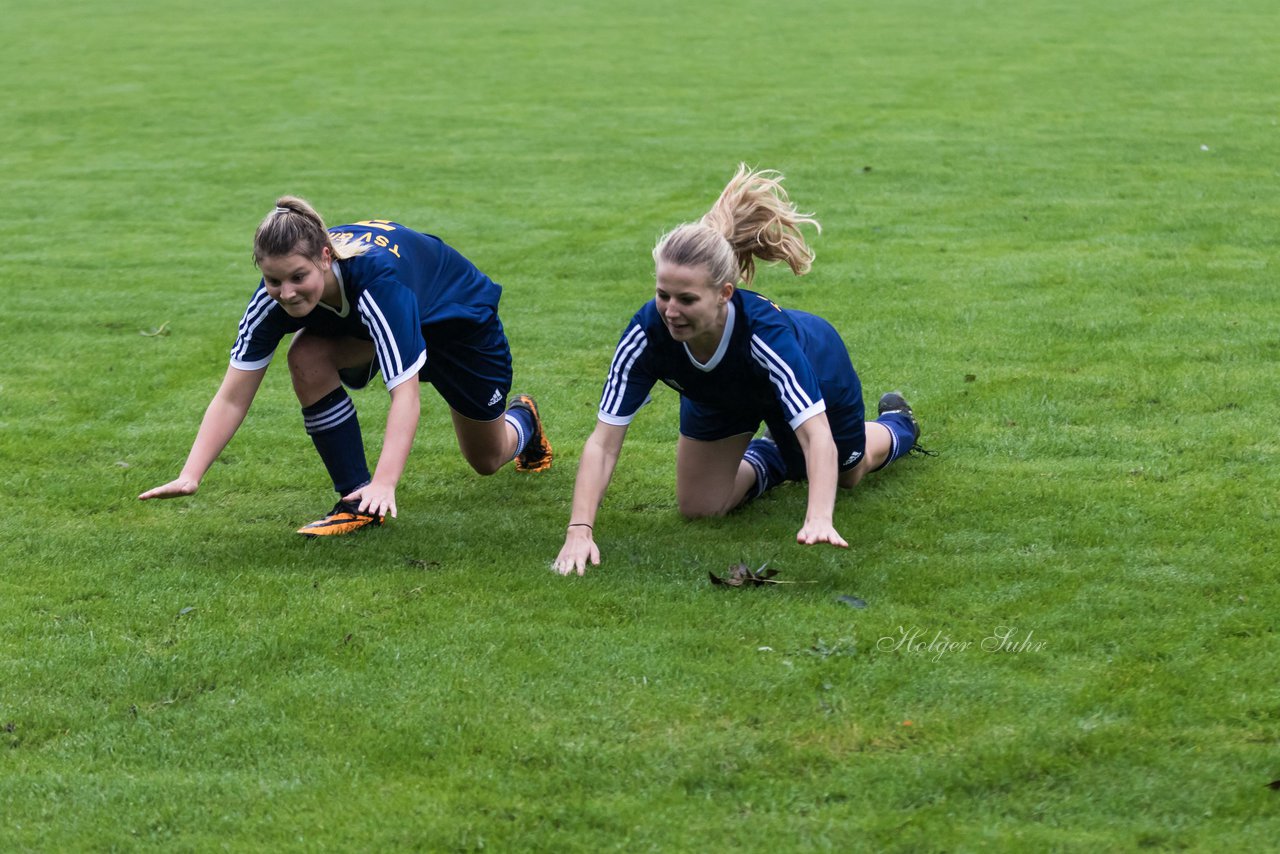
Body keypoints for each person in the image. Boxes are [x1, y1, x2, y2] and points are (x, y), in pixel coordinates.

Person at [552, 165, 927, 576]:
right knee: (701, 507)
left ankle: (897, 425)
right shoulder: (647, 333)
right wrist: (579, 530)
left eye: (687, 299)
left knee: (846, 475)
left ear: (724, 295)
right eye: (663, 295)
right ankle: (773, 453)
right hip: (722, 396)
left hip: (818, 369)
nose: (671, 312)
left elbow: (816, 433)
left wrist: (819, 517)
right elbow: (604, 443)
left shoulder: (766, 335)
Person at [139, 197, 552, 535]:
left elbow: (404, 396)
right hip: (383, 322)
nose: (286, 293)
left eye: (298, 276)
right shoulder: (272, 299)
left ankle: (525, 420)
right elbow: (232, 396)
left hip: (457, 325)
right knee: (306, 357)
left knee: (487, 458)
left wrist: (387, 482)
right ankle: (356, 499)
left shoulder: (377, 284)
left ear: (324, 256)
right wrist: (191, 474)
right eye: (273, 280)